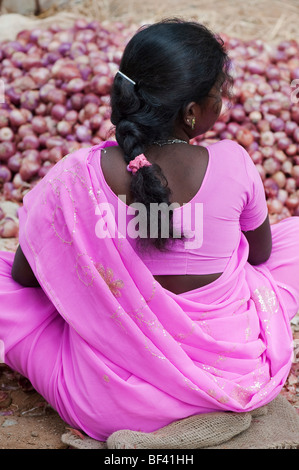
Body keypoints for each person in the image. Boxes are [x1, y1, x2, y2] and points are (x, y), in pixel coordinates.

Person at [0, 19, 298, 443]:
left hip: (107, 403)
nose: (226, 102)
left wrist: (91, 284)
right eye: (221, 94)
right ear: (192, 112)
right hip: (226, 382)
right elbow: (261, 255)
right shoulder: (233, 164)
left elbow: (24, 278)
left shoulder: (74, 178)